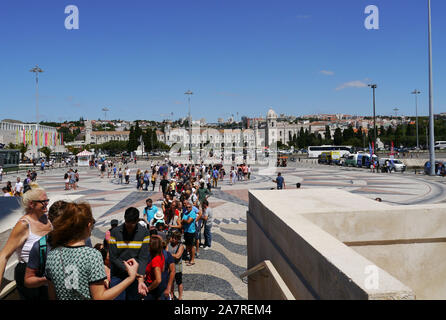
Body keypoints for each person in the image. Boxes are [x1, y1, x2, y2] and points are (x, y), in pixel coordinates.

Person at [44, 202, 139, 300]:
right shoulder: (92, 255)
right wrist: (130, 278)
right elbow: (100, 297)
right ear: (88, 225)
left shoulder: (53, 255)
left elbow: (52, 296)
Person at [0, 184, 52, 300]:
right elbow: (4, 255)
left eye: (47, 200)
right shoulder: (23, 225)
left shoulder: (48, 220)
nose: (47, 203)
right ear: (31, 204)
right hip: (29, 275)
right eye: (43, 201)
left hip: (47, 274)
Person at [23, 200, 67, 299]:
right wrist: (48, 280)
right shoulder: (40, 246)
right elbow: (28, 280)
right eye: (58, 225)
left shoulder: (83, 240)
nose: (63, 229)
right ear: (50, 220)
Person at [108, 207, 150, 300]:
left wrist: (140, 277)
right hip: (118, 275)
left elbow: (143, 257)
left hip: (136, 275)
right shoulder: (115, 232)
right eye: (127, 224)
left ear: (137, 221)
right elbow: (113, 257)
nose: (129, 227)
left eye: (132, 225)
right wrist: (128, 269)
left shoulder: (144, 233)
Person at [167, 231, 184, 300]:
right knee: (171, 281)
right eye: (173, 238)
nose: (173, 239)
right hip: (170, 267)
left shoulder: (181, 246)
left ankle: (180, 297)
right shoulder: (169, 244)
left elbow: (178, 256)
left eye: (175, 238)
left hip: (177, 267)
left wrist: (170, 255)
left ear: (178, 239)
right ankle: (172, 295)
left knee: (179, 282)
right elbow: (166, 251)